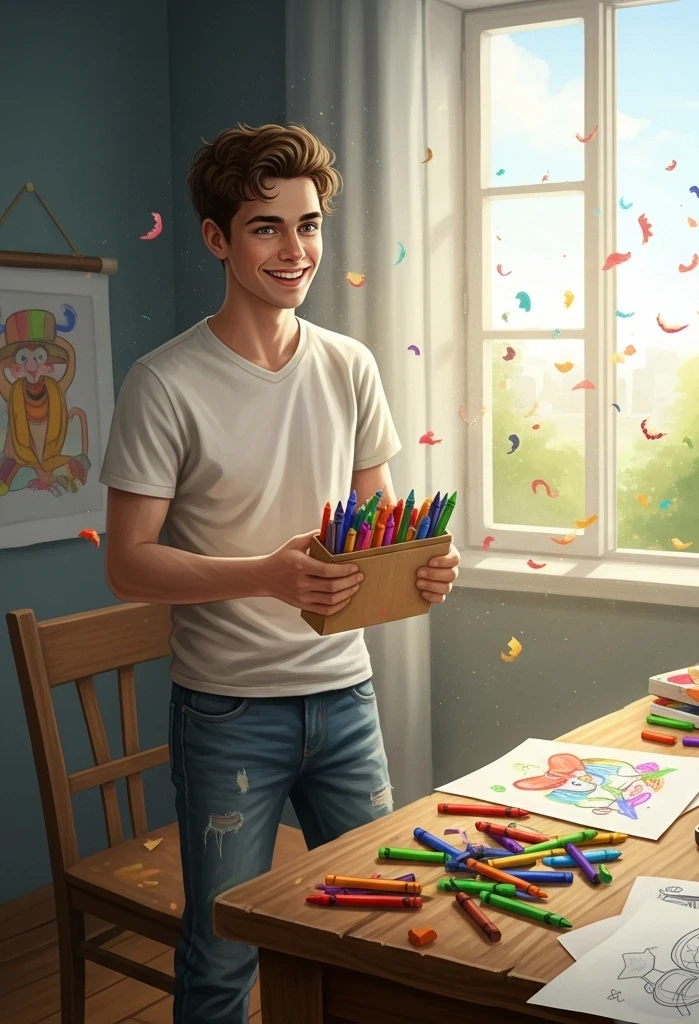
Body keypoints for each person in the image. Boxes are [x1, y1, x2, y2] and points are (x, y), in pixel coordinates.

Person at [99, 122, 460, 1024]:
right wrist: (264, 575)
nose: (295, 250)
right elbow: (126, 563)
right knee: (224, 958)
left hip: (346, 698)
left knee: (383, 922)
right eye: (266, 227)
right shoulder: (165, 382)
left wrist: (416, 565)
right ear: (218, 239)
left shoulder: (350, 365)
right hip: (226, 710)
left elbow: (373, 524)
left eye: (308, 224)